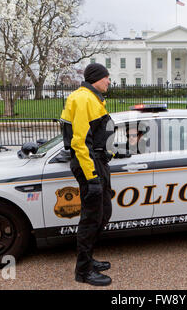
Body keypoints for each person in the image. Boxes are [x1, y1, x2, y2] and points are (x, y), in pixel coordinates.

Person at [60, 63, 114, 286]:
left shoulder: (93, 98)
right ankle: (83, 271)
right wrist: (92, 176)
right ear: (96, 78)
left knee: (103, 213)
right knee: (91, 218)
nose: (109, 81)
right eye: (106, 77)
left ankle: (88, 259)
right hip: (88, 165)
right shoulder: (83, 99)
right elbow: (80, 142)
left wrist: (107, 153)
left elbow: (97, 134)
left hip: (97, 162)